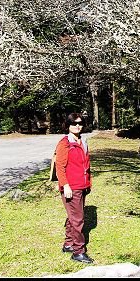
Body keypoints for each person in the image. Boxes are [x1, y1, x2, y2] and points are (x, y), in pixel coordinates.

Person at [55, 112, 93, 263]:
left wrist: (88, 183)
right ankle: (78, 252)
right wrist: (66, 186)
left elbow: (87, 165)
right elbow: (60, 167)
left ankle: (69, 244)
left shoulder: (83, 141)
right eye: (74, 123)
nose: (77, 126)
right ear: (68, 125)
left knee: (73, 217)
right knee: (78, 220)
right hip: (71, 187)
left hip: (82, 185)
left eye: (80, 123)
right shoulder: (64, 143)